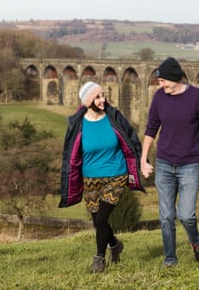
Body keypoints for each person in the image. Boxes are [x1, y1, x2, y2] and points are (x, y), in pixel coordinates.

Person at [59, 81, 145, 273]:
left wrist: (141, 162)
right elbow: (70, 155)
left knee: (101, 220)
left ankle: (99, 259)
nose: (102, 99)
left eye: (103, 95)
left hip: (116, 174)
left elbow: (132, 140)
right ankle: (114, 245)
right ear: (88, 100)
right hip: (90, 178)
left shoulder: (114, 117)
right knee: (99, 221)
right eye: (97, 97)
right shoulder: (78, 124)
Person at [140, 57, 199, 267]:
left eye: (163, 81)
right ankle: (170, 259)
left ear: (175, 79)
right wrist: (143, 158)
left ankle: (196, 241)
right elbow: (151, 128)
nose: (160, 84)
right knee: (166, 216)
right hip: (164, 163)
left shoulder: (196, 97)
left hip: (189, 165)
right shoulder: (159, 98)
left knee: (186, 215)